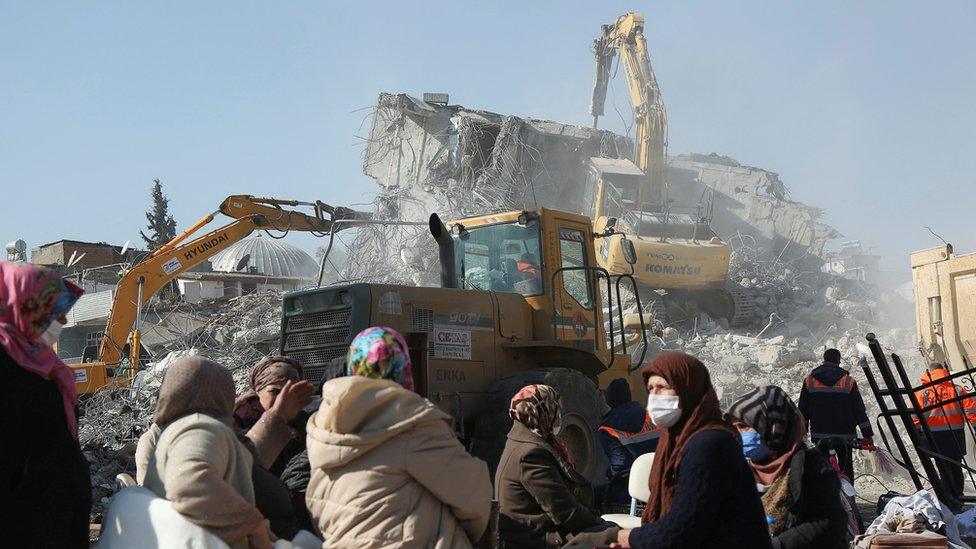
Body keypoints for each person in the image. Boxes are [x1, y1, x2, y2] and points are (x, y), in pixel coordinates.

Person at [306, 326, 492, 547]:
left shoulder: (324, 429)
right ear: (402, 367)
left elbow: (319, 510)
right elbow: (472, 493)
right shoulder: (412, 423)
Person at [613, 352, 771, 549]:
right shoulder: (673, 440)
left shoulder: (710, 443)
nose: (654, 397)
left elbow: (683, 529)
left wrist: (626, 538)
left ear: (688, 389)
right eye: (650, 390)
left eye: (662, 387)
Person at [0, 262, 90, 548]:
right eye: (54, 312)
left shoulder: (42, 364)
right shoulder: (7, 370)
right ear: (23, 305)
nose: (62, 321)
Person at [142, 356, 273, 549]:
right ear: (221, 392)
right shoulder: (200, 428)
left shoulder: (173, 431)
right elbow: (189, 483)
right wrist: (253, 525)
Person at [495, 384, 619, 548]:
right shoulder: (530, 454)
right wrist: (600, 523)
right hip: (534, 539)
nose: (559, 416)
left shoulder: (522, 441)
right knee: (615, 536)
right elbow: (565, 512)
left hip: (536, 530)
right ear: (543, 413)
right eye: (555, 410)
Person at [727, 385, 848, 549]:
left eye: (744, 426)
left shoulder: (811, 469)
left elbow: (828, 526)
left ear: (773, 426)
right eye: (733, 428)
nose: (738, 435)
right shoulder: (737, 470)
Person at [798, 348, 873, 481]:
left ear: (824, 359)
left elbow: (803, 410)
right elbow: (859, 410)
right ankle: (849, 499)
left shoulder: (809, 381)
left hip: (820, 435)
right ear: (838, 361)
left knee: (823, 467)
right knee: (846, 468)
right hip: (845, 435)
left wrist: (802, 434)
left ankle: (827, 498)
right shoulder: (848, 381)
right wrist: (867, 434)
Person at [233, 355, 315, 475]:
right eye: (275, 392)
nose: (282, 398)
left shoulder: (304, 418)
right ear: (258, 390)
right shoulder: (241, 419)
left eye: (290, 392)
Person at [913, 363, 976, 499]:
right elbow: (971, 409)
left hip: (934, 435)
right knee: (956, 465)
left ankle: (948, 497)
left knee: (943, 466)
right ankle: (959, 495)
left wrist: (917, 431)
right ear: (943, 371)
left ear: (928, 372)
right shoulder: (957, 389)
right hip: (956, 433)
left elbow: (914, 413)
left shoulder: (922, 392)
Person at [598, 378, 659, 506]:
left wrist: (609, 475)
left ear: (609, 399)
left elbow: (620, 466)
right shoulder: (651, 415)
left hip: (635, 487)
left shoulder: (608, 428)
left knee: (597, 494)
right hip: (663, 480)